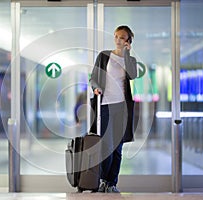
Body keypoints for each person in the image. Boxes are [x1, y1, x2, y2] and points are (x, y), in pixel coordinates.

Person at [89, 25, 137, 193]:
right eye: (116, 36)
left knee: (118, 146)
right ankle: (102, 180)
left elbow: (133, 75)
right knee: (106, 145)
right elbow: (93, 78)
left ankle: (112, 183)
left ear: (128, 41)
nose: (118, 40)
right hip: (105, 105)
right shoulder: (103, 56)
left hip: (122, 107)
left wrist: (126, 54)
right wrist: (95, 88)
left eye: (122, 37)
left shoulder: (130, 60)